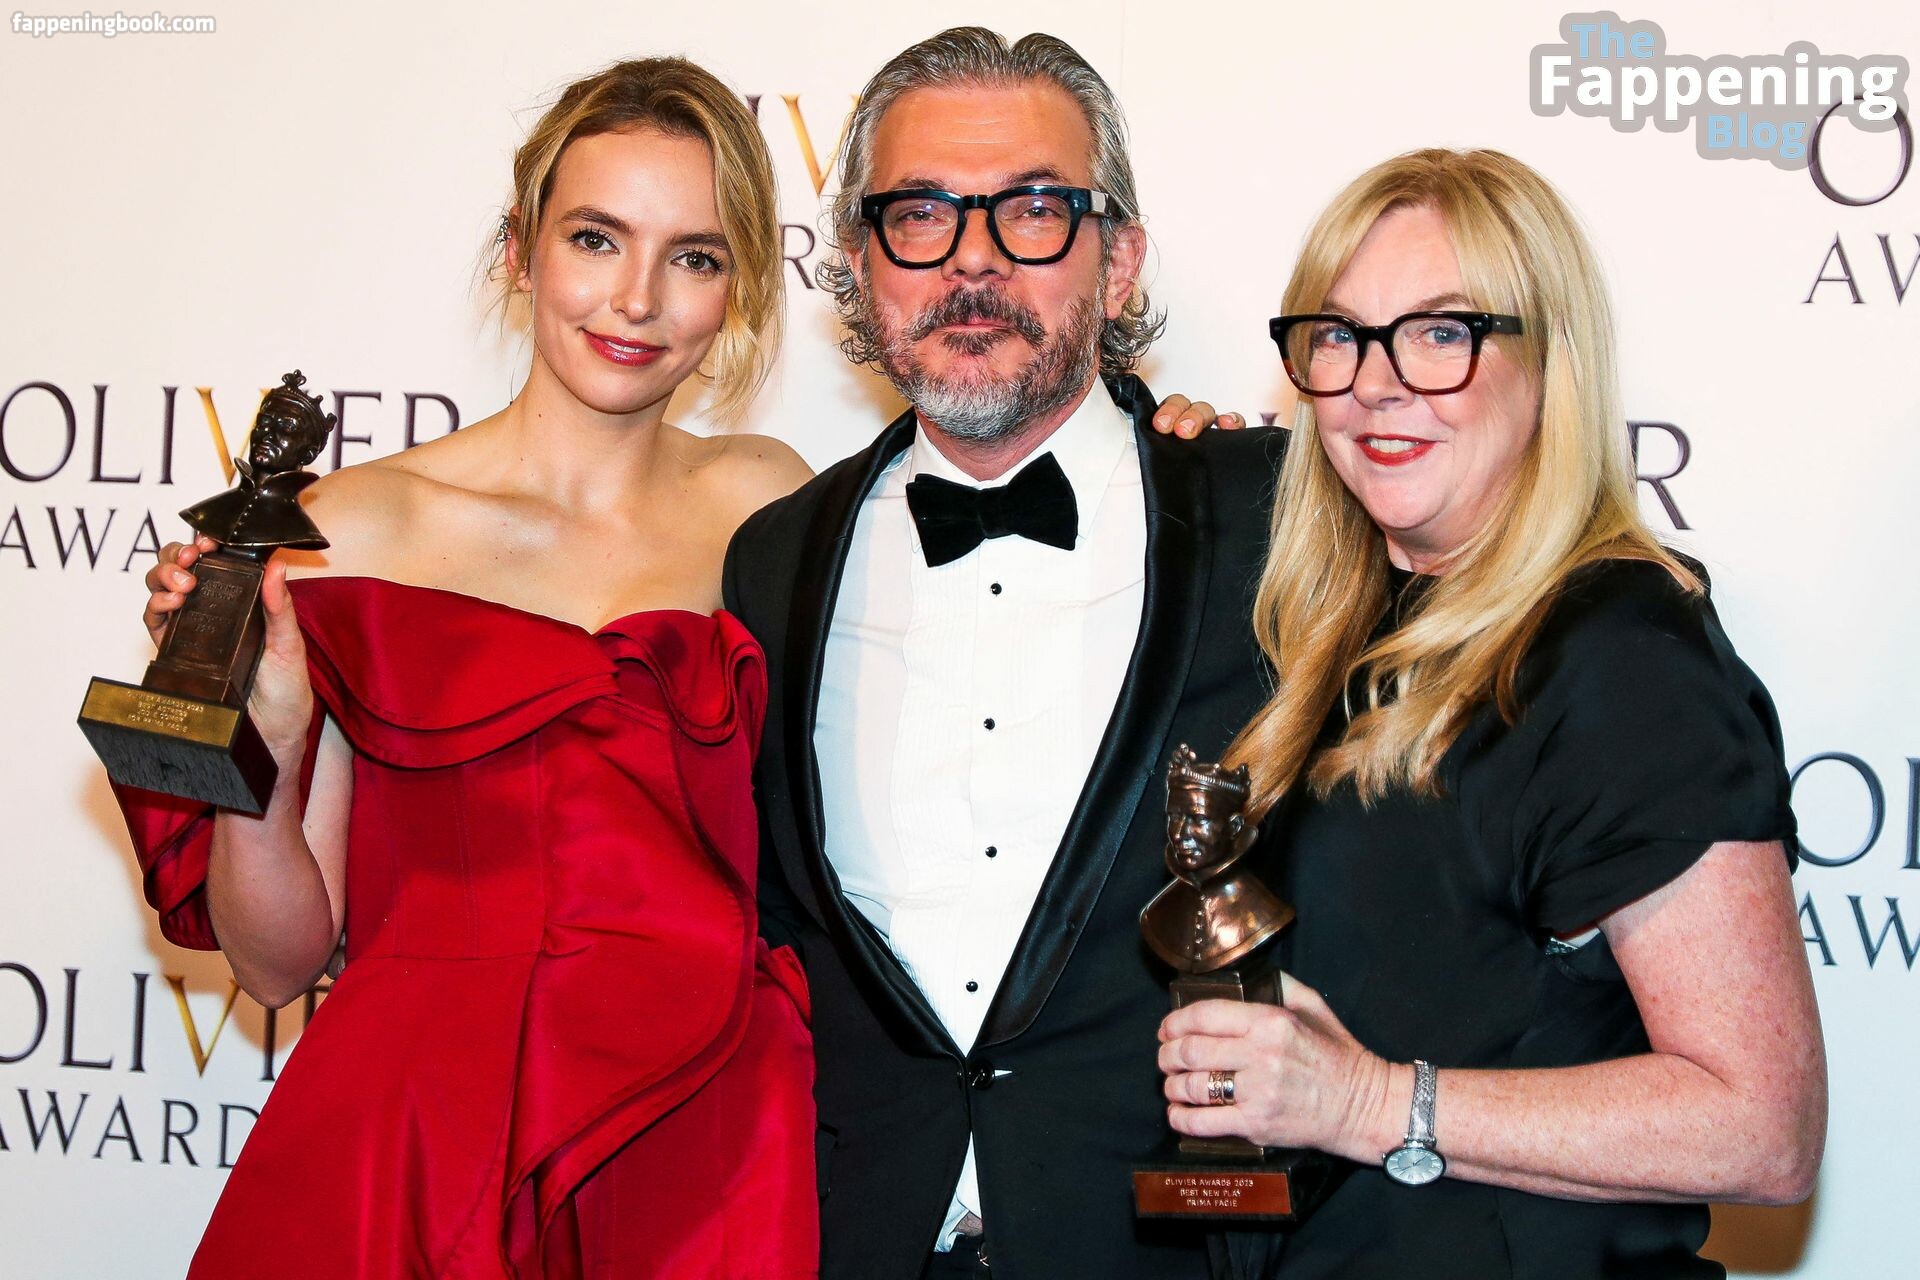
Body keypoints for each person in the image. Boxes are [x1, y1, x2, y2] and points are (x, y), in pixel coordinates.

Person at [122, 57, 823, 1278]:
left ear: (741, 287)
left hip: (705, 1135)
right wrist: (267, 743)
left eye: (695, 257)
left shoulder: (771, 505)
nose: (637, 298)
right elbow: (278, 961)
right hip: (426, 1132)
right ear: (520, 249)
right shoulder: (352, 528)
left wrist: (1164, 444)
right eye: (596, 238)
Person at [1154, 149, 1826, 1280]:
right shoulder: (1330, 618)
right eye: (1340, 336)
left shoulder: (1618, 653)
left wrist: (1367, 1101)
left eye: (1440, 333)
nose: (1376, 383)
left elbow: (1761, 1123)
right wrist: (1185, 466)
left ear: (1549, 362)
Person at [724, 27, 1278, 1280]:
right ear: (861, 264)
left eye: (1032, 210)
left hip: (1169, 1250)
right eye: (920, 213)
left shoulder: (1273, 519)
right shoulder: (771, 561)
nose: (972, 260)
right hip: (855, 1240)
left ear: (1117, 261)